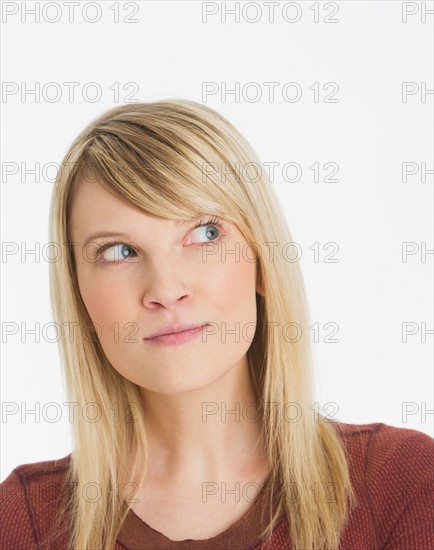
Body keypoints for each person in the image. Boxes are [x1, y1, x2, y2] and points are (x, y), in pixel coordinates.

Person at [1, 99, 433, 550]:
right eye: (118, 251)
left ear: (263, 261)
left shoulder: (403, 485)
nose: (166, 290)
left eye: (205, 233)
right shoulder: (21, 522)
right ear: (80, 298)